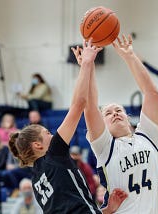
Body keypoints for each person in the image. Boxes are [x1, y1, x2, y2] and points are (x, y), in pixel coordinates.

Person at [8, 39, 128, 214]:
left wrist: (106, 210)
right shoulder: (53, 153)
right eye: (47, 133)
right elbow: (79, 104)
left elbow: (70, 207)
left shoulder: (36, 182)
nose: (52, 135)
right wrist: (86, 63)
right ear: (38, 145)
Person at [76, 35, 158, 213]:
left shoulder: (148, 136)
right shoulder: (105, 147)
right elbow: (90, 106)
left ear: (128, 117)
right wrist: (88, 65)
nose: (115, 113)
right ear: (103, 125)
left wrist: (130, 56)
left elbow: (151, 93)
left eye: (119, 110)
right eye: (108, 113)